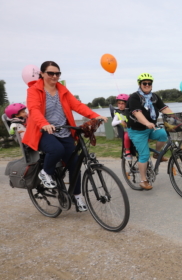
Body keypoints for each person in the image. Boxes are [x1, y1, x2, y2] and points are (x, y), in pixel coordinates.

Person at [24, 61, 108, 212]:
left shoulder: (62, 90)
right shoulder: (34, 90)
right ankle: (46, 173)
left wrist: (96, 116)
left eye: (57, 73)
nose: (54, 76)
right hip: (42, 131)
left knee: (75, 165)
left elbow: (77, 105)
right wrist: (44, 123)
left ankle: (77, 196)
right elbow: (34, 109)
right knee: (56, 150)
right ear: (42, 74)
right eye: (50, 73)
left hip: (64, 131)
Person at [127, 73, 173, 190]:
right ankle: (143, 180)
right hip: (137, 130)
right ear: (140, 84)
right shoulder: (134, 97)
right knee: (144, 155)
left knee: (163, 134)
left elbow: (164, 109)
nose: (147, 85)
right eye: (144, 83)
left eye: (149, 83)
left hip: (151, 128)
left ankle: (157, 153)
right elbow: (137, 113)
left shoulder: (154, 97)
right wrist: (146, 122)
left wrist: (177, 118)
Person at [112, 94, 132, 160]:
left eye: (122, 103)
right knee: (126, 136)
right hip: (126, 130)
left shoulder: (131, 111)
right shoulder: (118, 113)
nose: (120, 105)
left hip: (134, 129)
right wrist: (120, 121)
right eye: (119, 103)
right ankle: (127, 151)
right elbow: (113, 123)